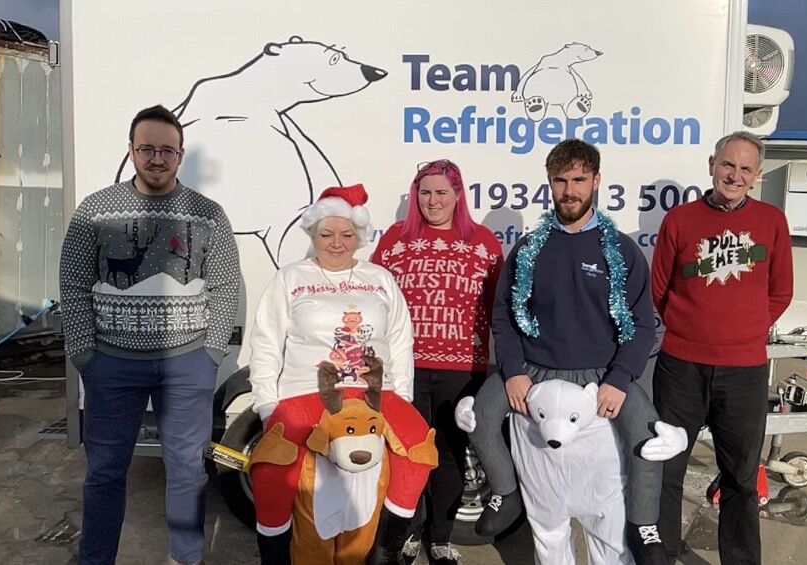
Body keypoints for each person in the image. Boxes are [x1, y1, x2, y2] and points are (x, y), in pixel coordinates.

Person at [469, 138, 676, 565]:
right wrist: (512, 371)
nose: (570, 190)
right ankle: (504, 494)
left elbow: (641, 325)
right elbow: (504, 317)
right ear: (549, 183)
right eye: (560, 180)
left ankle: (644, 523)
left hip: (601, 379)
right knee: (480, 419)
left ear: (596, 181)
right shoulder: (529, 248)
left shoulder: (620, 249)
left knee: (647, 440)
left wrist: (620, 380)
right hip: (533, 372)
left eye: (579, 180)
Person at [59, 104, 240, 565]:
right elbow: (74, 285)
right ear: (131, 151)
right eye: (147, 149)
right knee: (104, 473)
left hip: (186, 365)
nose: (156, 158)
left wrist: (211, 353)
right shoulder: (95, 210)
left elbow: (223, 285)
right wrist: (85, 355)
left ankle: (185, 558)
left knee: (186, 472)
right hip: (111, 365)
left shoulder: (208, 214)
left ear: (179, 154)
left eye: (167, 150)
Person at [247, 184, 436, 565]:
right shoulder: (290, 278)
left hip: (374, 395)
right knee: (270, 471)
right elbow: (266, 342)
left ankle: (385, 551)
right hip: (305, 391)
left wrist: (400, 396)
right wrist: (268, 406)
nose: (337, 243)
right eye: (327, 234)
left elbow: (400, 339)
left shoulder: (380, 279)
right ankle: (276, 557)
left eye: (347, 234)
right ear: (312, 235)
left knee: (419, 451)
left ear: (360, 237)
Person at [651, 131, 794, 565]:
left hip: (744, 370)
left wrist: (743, 330)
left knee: (741, 478)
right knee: (666, 471)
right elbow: (659, 289)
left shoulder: (772, 222)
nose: (734, 175)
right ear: (712, 164)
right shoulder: (679, 220)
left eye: (745, 168)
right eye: (727, 164)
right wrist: (690, 329)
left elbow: (780, 292)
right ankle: (661, 556)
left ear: (757, 175)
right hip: (681, 368)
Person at [371, 159, 505, 564]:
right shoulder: (395, 240)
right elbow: (375, 301)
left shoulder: (483, 243)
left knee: (448, 453)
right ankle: (410, 534)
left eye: (441, 192)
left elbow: (498, 306)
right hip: (405, 368)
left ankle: (441, 538)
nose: (433, 201)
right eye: (425, 192)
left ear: (458, 196)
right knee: (408, 453)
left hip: (461, 368)